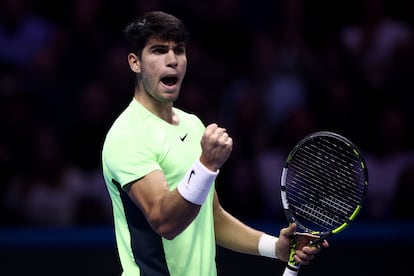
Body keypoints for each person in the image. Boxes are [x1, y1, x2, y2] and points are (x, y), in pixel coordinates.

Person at [101, 11, 328, 276]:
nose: (172, 60)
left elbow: (212, 217)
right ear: (135, 62)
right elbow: (164, 221)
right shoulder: (127, 136)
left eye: (179, 50)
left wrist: (274, 246)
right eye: (159, 51)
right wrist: (206, 164)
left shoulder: (192, 125)